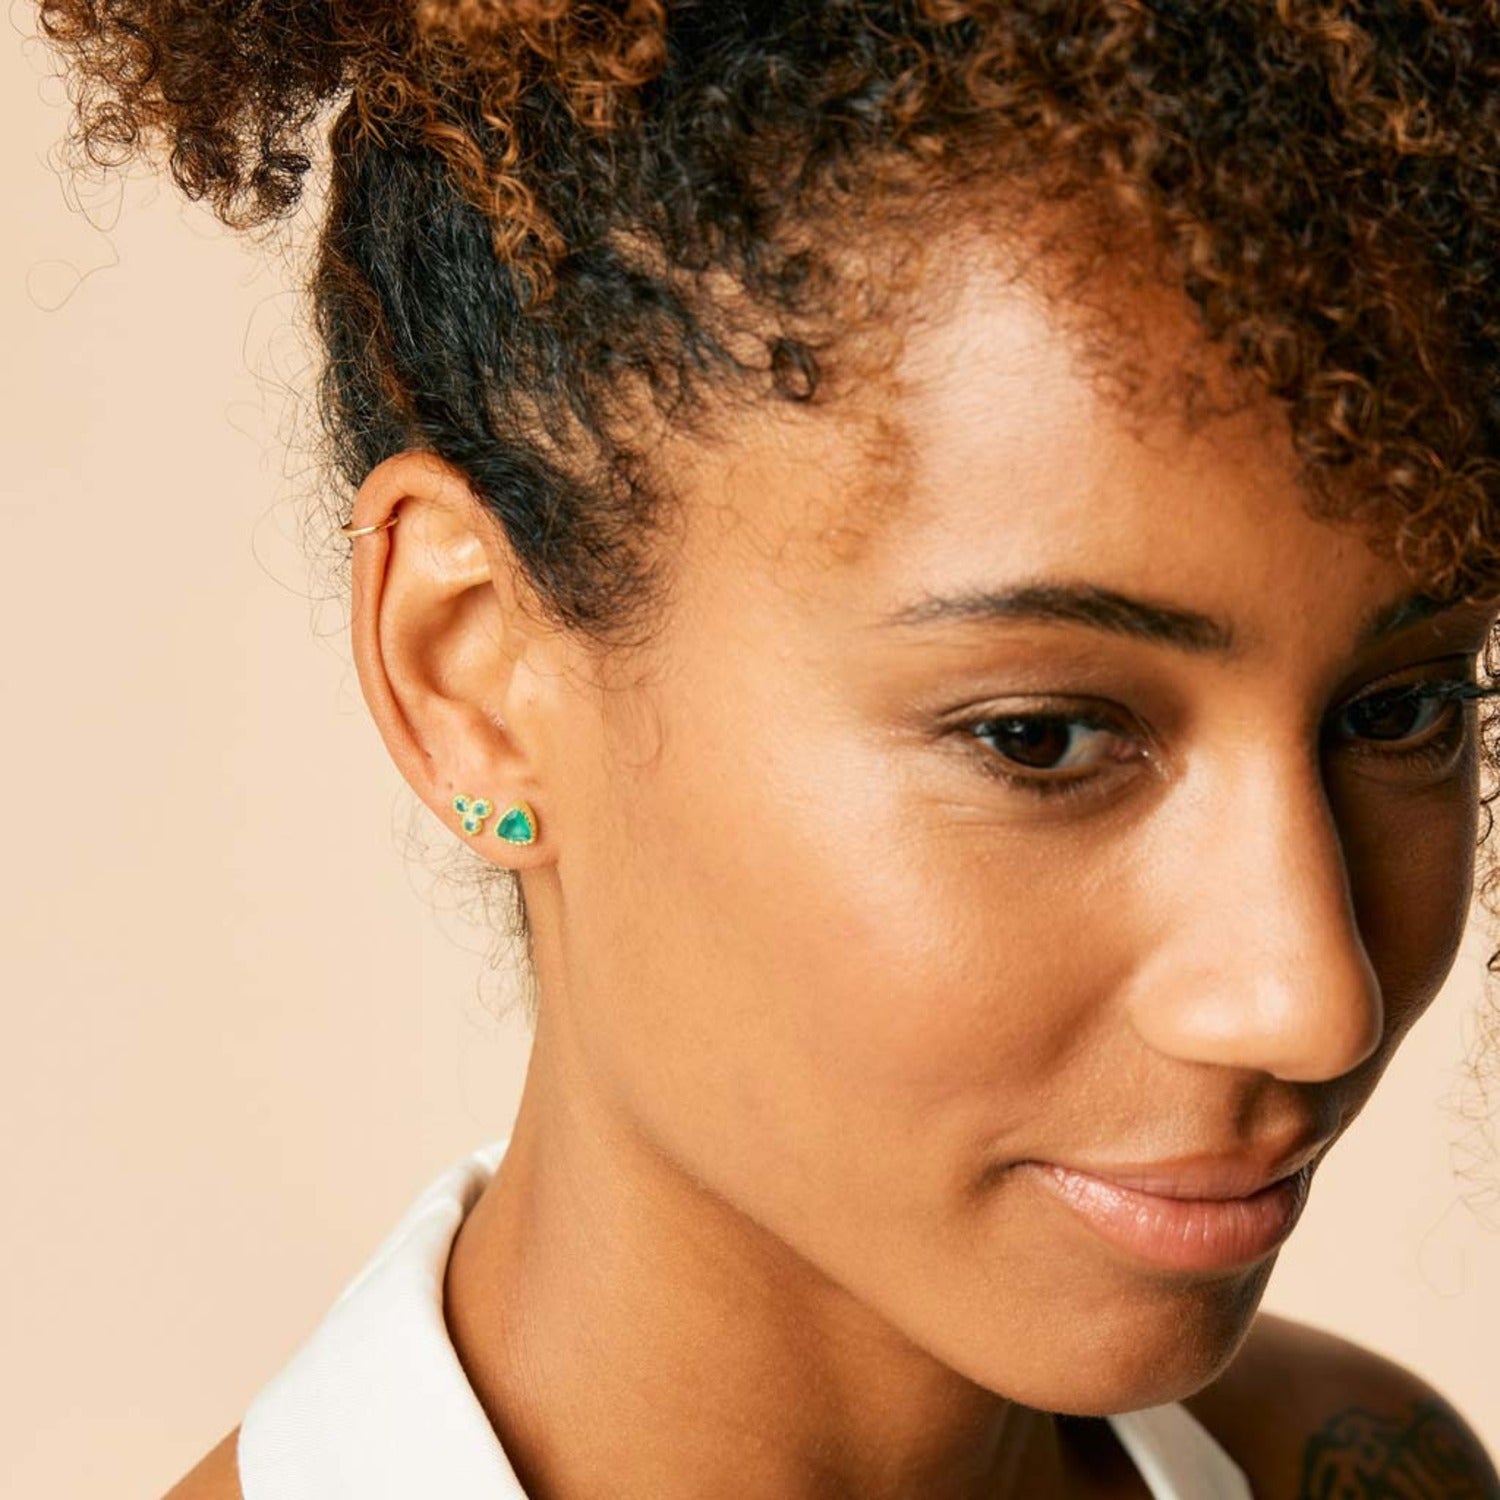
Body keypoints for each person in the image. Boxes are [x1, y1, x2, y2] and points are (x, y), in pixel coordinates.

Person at [37, 2, 1500, 1497]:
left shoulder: (1360, 1465)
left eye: (1405, 710)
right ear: (472, 678)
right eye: (1041, 738)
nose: (1313, 1002)